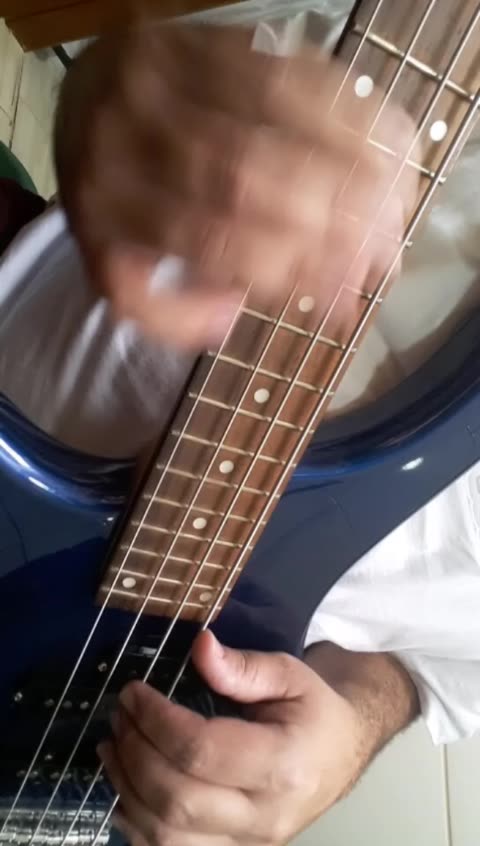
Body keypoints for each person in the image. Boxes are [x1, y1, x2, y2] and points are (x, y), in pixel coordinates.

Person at [1, 19, 480, 846]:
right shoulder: (434, 73)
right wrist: (127, 97)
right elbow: (163, 92)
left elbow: (435, 671)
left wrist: (345, 740)